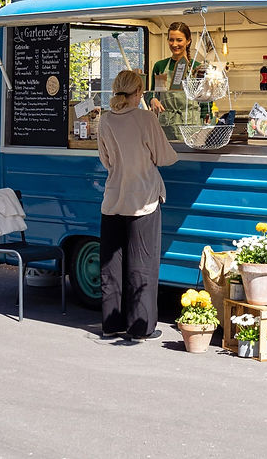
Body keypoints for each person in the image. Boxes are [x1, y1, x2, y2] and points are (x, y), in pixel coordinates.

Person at [98, 70, 178, 340]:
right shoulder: (146, 119)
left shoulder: (105, 120)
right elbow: (165, 156)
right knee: (141, 264)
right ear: (138, 93)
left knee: (112, 266)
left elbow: (105, 160)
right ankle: (140, 327)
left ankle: (111, 324)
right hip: (143, 200)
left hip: (113, 200)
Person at [146, 21, 209, 140]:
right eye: (171, 40)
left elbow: (205, 100)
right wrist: (152, 99)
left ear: (188, 41)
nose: (174, 44)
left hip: (191, 125)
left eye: (179, 40)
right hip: (166, 125)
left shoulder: (196, 68)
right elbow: (153, 93)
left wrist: (206, 124)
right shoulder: (160, 66)